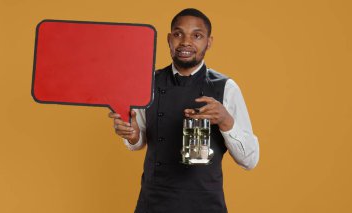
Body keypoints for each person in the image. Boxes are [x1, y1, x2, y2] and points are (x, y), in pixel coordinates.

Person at [109, 8, 259, 213]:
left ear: (209, 42)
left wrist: (226, 121)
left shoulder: (226, 88)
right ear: (170, 39)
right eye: (179, 34)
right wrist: (133, 134)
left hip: (205, 203)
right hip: (154, 201)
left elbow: (250, 161)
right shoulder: (147, 83)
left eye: (196, 35)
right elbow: (137, 142)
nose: (186, 42)